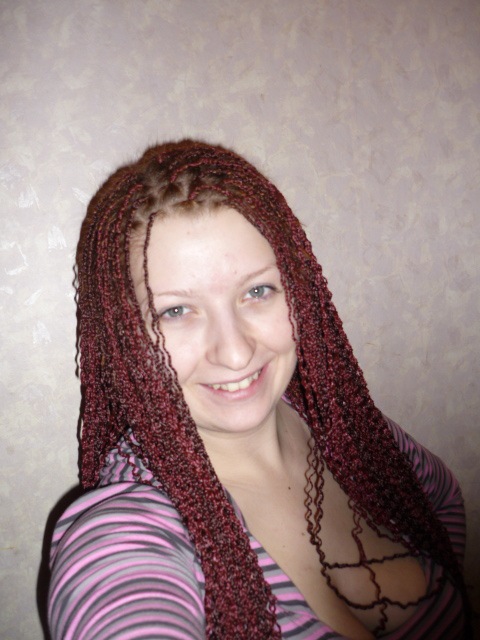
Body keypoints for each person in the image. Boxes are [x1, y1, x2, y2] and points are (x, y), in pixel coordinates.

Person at [48, 140, 471, 639]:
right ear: (124, 338)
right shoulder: (126, 532)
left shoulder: (346, 429)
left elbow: (443, 501)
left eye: (257, 291)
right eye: (175, 311)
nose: (235, 352)